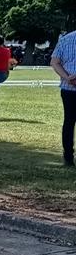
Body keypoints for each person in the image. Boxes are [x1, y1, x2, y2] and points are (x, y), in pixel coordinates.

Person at [49, 30, 76, 167]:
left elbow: (54, 62)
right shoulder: (65, 39)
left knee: (69, 122)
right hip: (69, 86)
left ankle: (68, 157)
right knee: (69, 122)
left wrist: (67, 77)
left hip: (68, 87)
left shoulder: (65, 39)